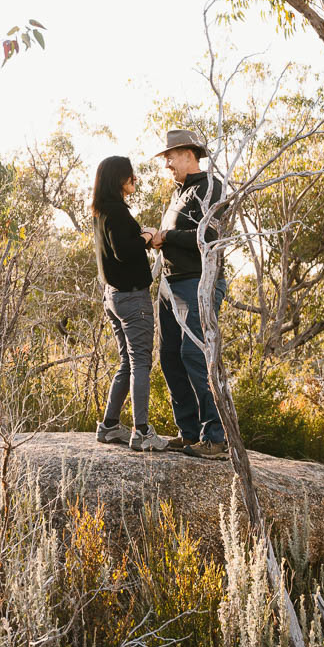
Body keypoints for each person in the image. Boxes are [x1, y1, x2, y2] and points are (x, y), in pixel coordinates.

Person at [146, 129, 229, 460]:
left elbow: (206, 233)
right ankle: (189, 432)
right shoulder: (178, 194)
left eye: (170, 156)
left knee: (195, 356)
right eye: (166, 157)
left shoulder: (210, 186)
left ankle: (216, 438)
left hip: (197, 283)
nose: (166, 163)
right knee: (169, 357)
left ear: (189, 155)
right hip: (169, 285)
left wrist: (164, 236)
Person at [89, 155, 167, 451]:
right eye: (130, 176)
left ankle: (109, 426)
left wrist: (140, 236)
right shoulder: (117, 213)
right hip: (132, 297)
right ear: (118, 180)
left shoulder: (102, 212)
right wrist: (147, 237)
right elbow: (124, 251)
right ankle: (142, 432)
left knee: (127, 361)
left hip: (113, 297)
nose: (135, 179)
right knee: (141, 363)